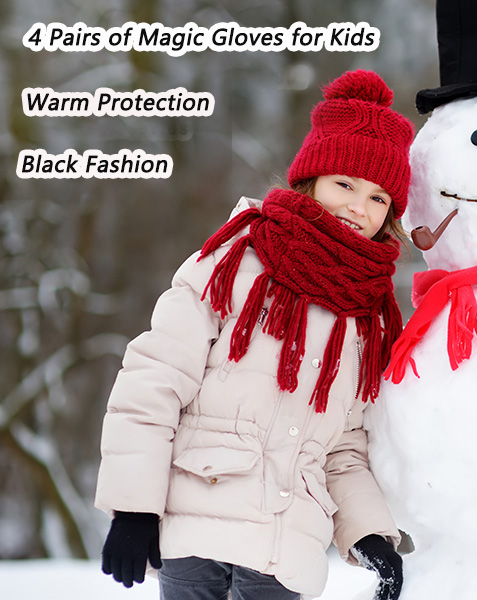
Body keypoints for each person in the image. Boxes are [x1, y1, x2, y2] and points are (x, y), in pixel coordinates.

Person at [94, 69, 414, 600]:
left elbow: (343, 448)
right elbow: (152, 384)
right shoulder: (236, 260)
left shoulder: (368, 312)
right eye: (345, 185)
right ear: (310, 180)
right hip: (198, 532)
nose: (360, 208)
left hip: (287, 551)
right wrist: (133, 508)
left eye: (380, 198)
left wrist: (369, 534)